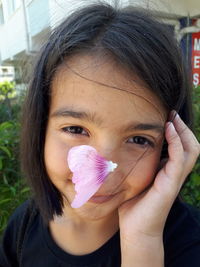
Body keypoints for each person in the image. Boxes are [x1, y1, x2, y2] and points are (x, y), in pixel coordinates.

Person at [0, 2, 200, 267]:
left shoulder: (189, 241)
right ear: (41, 129)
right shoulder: (23, 227)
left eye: (139, 139)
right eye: (76, 129)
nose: (102, 175)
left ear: (168, 149)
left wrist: (143, 240)